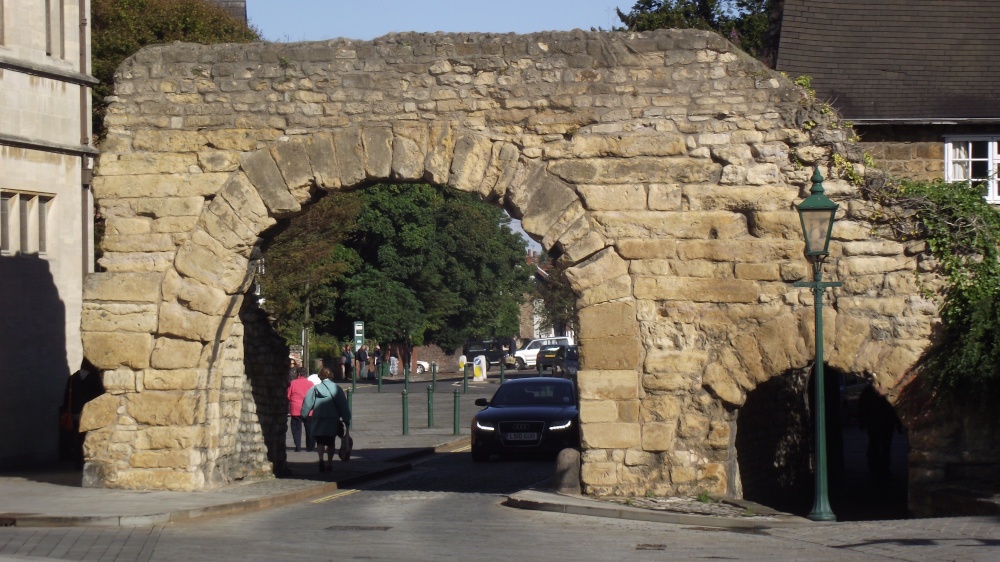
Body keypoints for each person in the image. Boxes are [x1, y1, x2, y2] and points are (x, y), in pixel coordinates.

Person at [301, 368, 351, 473]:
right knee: (330, 442)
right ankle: (329, 463)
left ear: (320, 377)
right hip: (332, 419)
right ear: (331, 376)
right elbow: (343, 405)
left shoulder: (315, 389)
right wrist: (346, 419)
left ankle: (320, 460)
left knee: (320, 441)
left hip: (318, 418)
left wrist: (304, 414)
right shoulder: (337, 389)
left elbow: (307, 403)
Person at [60, 358, 105, 470]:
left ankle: (76, 462)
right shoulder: (95, 378)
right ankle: (84, 461)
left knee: (75, 438)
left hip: (74, 413)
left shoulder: (72, 378)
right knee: (85, 439)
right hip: (88, 413)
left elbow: (66, 396)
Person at [858, 378, 900, 481]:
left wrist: (863, 422)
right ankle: (879, 467)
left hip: (880, 423)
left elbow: (862, 407)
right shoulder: (879, 391)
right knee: (879, 445)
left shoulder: (869, 391)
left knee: (879, 445)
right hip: (880, 423)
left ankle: (879, 467)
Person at [286, 367, 314, 452]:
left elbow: (288, 396)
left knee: (296, 429)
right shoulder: (310, 384)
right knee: (309, 428)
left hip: (295, 409)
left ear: (298, 374)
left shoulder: (293, 383)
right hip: (308, 409)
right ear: (306, 374)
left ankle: (298, 447)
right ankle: (309, 447)